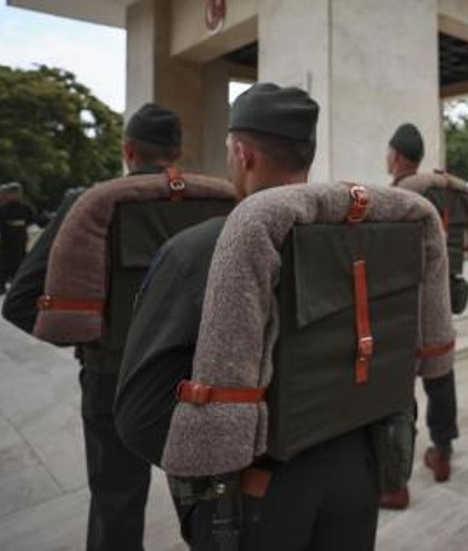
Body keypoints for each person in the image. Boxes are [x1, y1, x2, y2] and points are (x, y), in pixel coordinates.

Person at [115, 84, 380, 549]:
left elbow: (138, 416)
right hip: (354, 470)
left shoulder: (197, 250)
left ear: (243, 154)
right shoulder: (359, 240)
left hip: (257, 492)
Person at [1, 103, 183, 551]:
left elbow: (21, 300)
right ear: (177, 153)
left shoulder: (93, 202)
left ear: (128, 149)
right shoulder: (208, 200)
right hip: (190, 373)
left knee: (117, 501)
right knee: (202, 495)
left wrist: (91, 337)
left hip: (113, 378)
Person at [381, 122, 462, 507]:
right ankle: (442, 452)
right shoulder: (452, 192)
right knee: (441, 379)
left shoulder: (396, 197)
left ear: (395, 155)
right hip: (442, 305)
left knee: (397, 395)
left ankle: (396, 482)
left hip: (403, 312)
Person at [0, 182, 36, 295]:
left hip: (20, 235)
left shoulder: (26, 207)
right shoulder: (1, 208)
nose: (16, 196)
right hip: (7, 237)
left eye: (17, 193)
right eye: (13, 193)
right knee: (4, 261)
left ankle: (18, 285)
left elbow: (31, 219)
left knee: (20, 259)